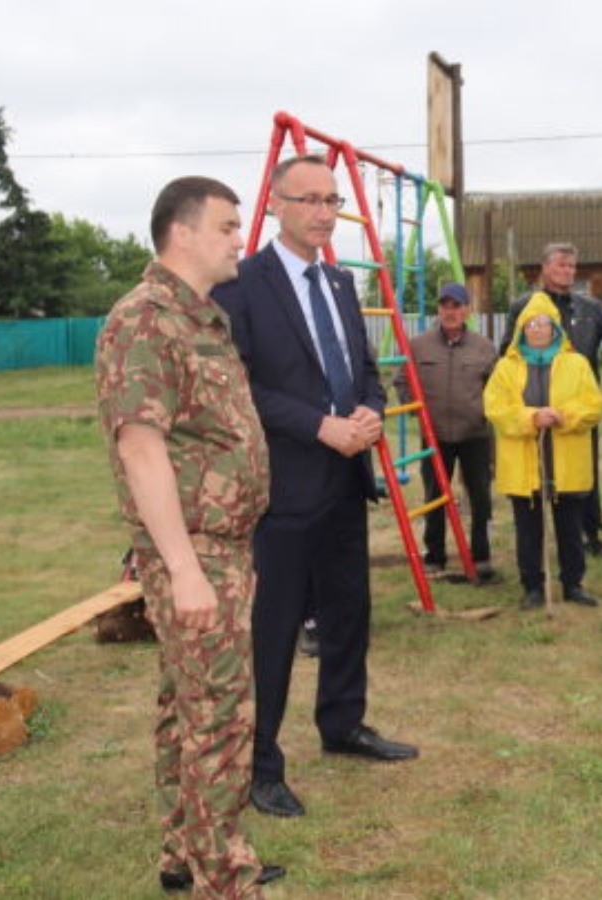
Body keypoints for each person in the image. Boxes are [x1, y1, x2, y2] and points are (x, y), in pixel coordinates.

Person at [212, 155, 418, 822]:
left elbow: (364, 370)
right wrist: (319, 425)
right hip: (282, 489)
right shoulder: (241, 285)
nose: (326, 212)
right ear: (276, 205)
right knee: (272, 633)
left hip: (344, 480)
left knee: (348, 614)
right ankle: (260, 765)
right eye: (310, 200)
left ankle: (343, 723)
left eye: (332, 200)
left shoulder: (338, 283)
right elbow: (240, 387)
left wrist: (366, 411)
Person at [95, 176, 284, 896]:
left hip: (221, 546)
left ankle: (185, 852)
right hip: (192, 550)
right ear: (183, 233)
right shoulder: (144, 320)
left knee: (187, 705)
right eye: (229, 225)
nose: (241, 237)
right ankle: (223, 875)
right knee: (220, 717)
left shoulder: (201, 318)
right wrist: (185, 570)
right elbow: (141, 449)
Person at [499, 243, 602, 559]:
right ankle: (535, 536)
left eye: (572, 266)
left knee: (583, 470)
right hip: (535, 405)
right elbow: (508, 350)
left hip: (578, 407)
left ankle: (590, 534)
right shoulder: (526, 305)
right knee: (536, 470)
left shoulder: (590, 308)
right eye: (561, 265)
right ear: (544, 268)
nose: (567, 271)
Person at [485, 293, 602, 609]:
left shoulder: (577, 364)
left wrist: (563, 416)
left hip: (566, 463)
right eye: (531, 324)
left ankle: (573, 584)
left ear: (555, 328)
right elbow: (496, 408)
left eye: (544, 323)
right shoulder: (506, 368)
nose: (538, 329)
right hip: (524, 466)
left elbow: (593, 405)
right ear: (522, 329)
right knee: (528, 532)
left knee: (569, 528)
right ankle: (533, 587)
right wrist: (531, 418)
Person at [394, 282, 500, 584]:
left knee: (480, 498)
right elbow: (402, 380)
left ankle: (481, 557)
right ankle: (435, 558)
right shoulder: (418, 345)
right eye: (445, 306)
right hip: (435, 434)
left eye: (456, 306)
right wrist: (414, 408)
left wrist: (487, 413)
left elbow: (497, 387)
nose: (450, 312)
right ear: (438, 310)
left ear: (467, 309)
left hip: (475, 435)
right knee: (435, 496)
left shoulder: (484, 347)